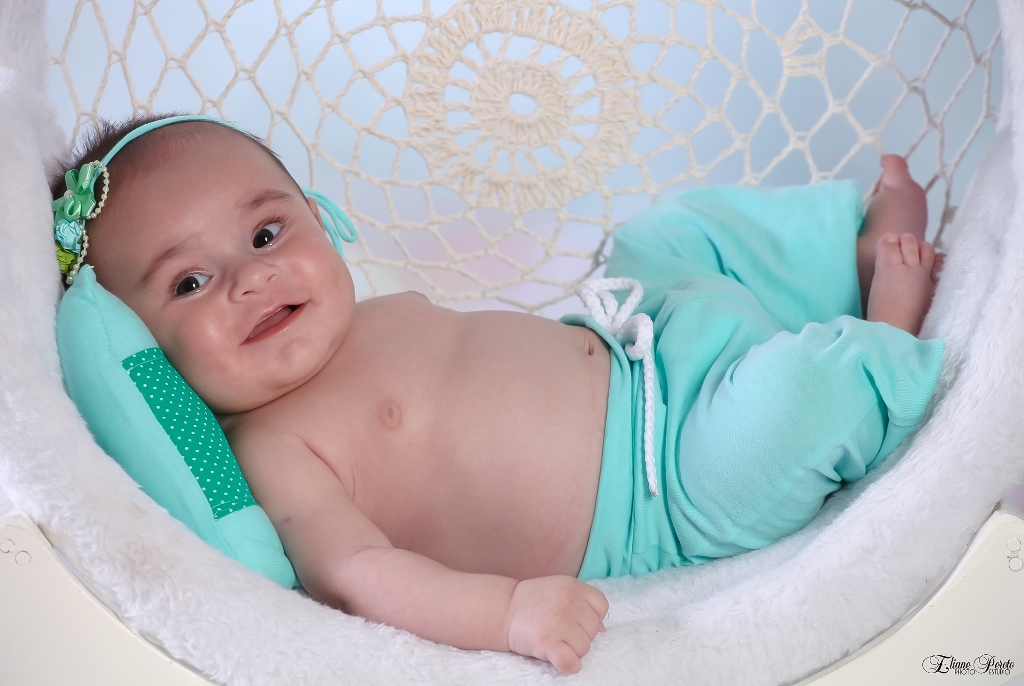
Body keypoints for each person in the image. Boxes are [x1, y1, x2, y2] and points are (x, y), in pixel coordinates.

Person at [50, 115, 944, 674]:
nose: (251, 278)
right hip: (667, 488)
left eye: (267, 232)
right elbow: (358, 575)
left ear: (321, 218)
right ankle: (885, 330)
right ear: (148, 350)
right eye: (190, 283)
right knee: (798, 405)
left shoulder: (369, 314)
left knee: (668, 233)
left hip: (639, 334)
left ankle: (851, 246)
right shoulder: (274, 447)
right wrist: (507, 614)